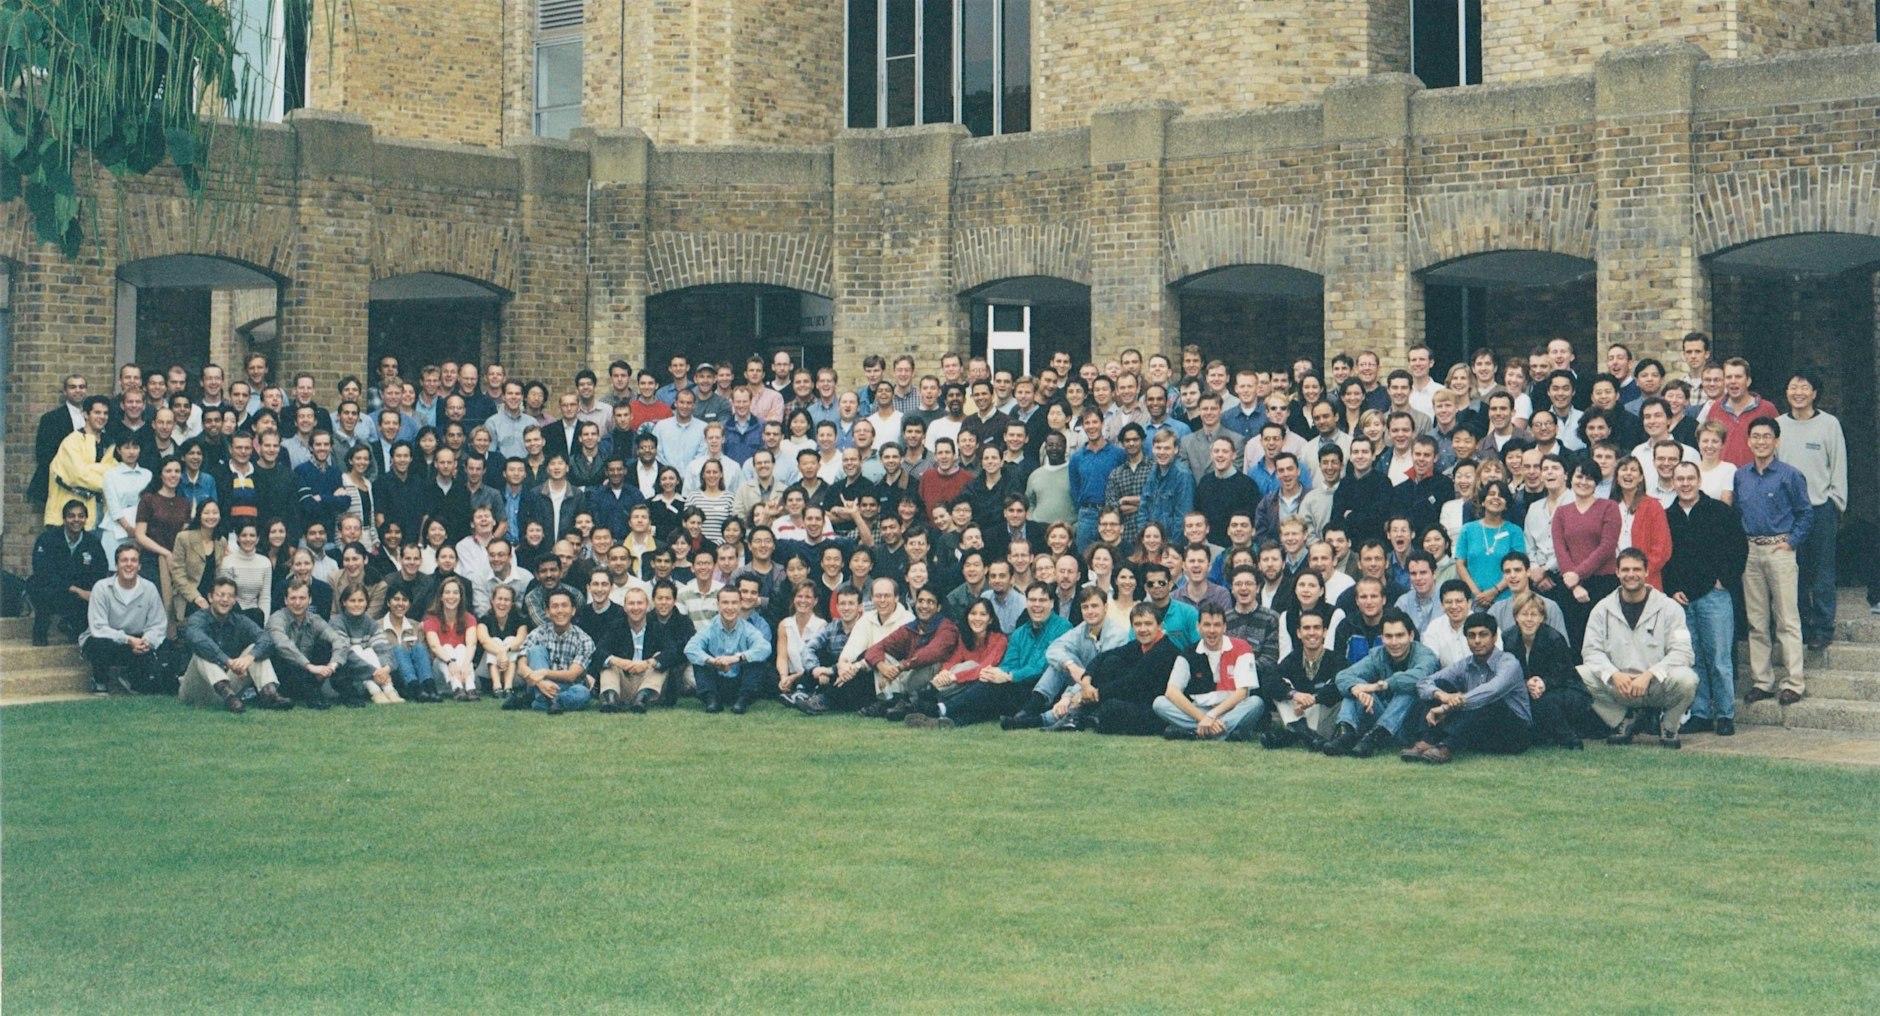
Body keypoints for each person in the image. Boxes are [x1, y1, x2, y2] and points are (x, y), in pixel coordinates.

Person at [1578, 549, 1699, 749]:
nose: (1631, 574)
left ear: (1646, 572)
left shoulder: (1670, 608)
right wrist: (1613, 674)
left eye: (1636, 569)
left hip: (1657, 684)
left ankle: (1669, 725)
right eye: (1625, 569)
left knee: (1688, 679)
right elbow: (1591, 651)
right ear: (1617, 572)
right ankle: (1624, 720)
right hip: (1620, 686)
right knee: (1578, 676)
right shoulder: (1602, 609)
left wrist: (1650, 674)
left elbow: (1683, 652)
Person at [1664, 461, 1748, 736]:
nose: (1685, 484)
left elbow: (1739, 547)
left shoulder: (1720, 511)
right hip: (1682, 600)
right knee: (1694, 658)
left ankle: (1724, 714)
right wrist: (1672, 589)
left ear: (1699, 481)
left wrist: (1725, 580)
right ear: (1673, 483)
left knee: (1719, 659)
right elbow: (1666, 557)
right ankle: (1700, 713)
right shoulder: (1668, 516)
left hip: (1714, 596)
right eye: (1680, 479)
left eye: (1690, 478)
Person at [1735, 417, 1812, 706]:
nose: (1761, 441)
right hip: (1751, 551)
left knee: (1786, 619)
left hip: (1780, 550)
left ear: (1776, 441)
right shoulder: (1741, 476)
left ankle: (1794, 682)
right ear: (1748, 441)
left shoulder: (1790, 475)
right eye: (1755, 436)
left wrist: (1791, 542)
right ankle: (1762, 681)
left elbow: (1806, 513)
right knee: (1757, 621)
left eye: (1767, 436)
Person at [1399, 612, 1532, 763]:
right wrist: (1442, 695)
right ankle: (1426, 741)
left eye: (1483, 635)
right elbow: (1423, 683)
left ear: (1494, 637)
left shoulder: (1508, 662)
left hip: (1514, 733)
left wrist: (1446, 708)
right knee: (1441, 685)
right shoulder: (1465, 664)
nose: (1477, 641)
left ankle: (1446, 747)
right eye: (1471, 636)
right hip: (1481, 730)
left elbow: (1491, 691)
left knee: (1486, 699)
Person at [1775, 370, 1846, 650]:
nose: (1799, 393)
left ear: (1815, 393)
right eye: (1793, 387)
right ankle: (1802, 627)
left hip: (1820, 508)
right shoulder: (1779, 425)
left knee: (1822, 572)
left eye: (1805, 388)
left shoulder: (1829, 424)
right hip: (1788, 512)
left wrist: (1835, 501)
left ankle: (1823, 627)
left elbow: (1838, 465)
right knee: (1795, 572)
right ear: (1787, 392)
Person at [1325, 608, 1439, 758]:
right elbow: (1343, 675)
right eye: (1388, 636)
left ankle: (1375, 737)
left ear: (1411, 636)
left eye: (1400, 635)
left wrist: (1379, 685)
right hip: (1379, 721)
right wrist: (1357, 690)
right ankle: (1345, 734)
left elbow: (1420, 676)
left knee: (1408, 688)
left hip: (1410, 725)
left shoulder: (1425, 655)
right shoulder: (1377, 654)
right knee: (1354, 688)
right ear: (1382, 637)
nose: (1394, 642)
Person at [1153, 603, 1263, 741]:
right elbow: (1172, 691)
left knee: (1256, 703)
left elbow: (1242, 693)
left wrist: (1212, 716)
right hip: (1199, 711)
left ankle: (1196, 733)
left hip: (1231, 710)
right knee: (1159, 703)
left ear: (1224, 627)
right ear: (1198, 626)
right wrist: (1203, 718)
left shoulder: (1242, 648)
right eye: (1206, 625)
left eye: (1217, 625)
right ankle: (1220, 732)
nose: (1212, 630)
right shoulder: (1189, 653)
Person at [180, 577, 290, 713]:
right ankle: (229, 696)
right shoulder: (197, 618)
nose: (225, 599)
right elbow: (197, 640)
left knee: (255, 649)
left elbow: (266, 639)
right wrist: (228, 661)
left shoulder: (240, 620)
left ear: (234, 600)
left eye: (230, 596)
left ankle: (270, 695)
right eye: (220, 595)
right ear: (210, 597)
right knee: (202, 652)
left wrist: (249, 658)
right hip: (196, 691)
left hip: (228, 693)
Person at [903, 599, 1011, 729]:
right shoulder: (964, 636)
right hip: (961, 690)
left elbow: (984, 668)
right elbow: (954, 659)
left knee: (973, 667)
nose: (977, 618)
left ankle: (934, 707)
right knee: (959, 674)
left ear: (990, 619)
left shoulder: (999, 639)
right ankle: (940, 718)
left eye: (983, 614)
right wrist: (944, 673)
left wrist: (954, 677)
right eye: (973, 613)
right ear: (967, 617)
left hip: (986, 690)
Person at [78, 545, 168, 695]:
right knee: (99, 644)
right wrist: (128, 640)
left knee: (151, 683)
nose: (129, 564)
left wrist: (146, 641)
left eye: (133, 560)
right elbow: (98, 627)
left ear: (139, 566)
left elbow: (157, 624)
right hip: (105, 641)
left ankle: (132, 678)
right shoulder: (101, 588)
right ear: (116, 565)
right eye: (124, 560)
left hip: (137, 641)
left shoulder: (149, 588)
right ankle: (100, 680)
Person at [28, 500, 109, 645]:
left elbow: (100, 571)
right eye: (71, 516)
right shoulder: (47, 539)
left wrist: (93, 592)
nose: (76, 520)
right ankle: (40, 629)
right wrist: (74, 589)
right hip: (53, 590)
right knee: (35, 585)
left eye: (81, 516)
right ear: (64, 519)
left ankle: (72, 626)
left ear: (86, 519)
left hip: (79, 594)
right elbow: (42, 571)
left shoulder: (93, 543)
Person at [684, 586, 773, 714]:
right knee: (700, 659)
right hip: (716, 683)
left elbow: (765, 647)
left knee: (756, 659)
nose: (730, 607)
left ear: (740, 604)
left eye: (734, 603)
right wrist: (713, 661)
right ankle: (711, 700)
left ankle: (742, 702)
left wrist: (736, 658)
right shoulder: (709, 628)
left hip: (741, 684)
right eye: (725, 603)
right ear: (717, 605)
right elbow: (690, 648)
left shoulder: (748, 629)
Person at [510, 589, 596, 714]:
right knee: (536, 650)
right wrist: (541, 683)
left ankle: (540, 701)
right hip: (538, 685)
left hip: (568, 687)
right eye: (555, 606)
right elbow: (521, 667)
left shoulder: (584, 640)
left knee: (583, 693)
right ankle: (551, 702)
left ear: (573, 610)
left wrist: (544, 673)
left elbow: (571, 675)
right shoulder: (539, 633)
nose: (560, 610)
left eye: (564, 605)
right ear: (547, 612)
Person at [597, 586, 678, 713]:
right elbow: (599, 651)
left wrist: (648, 663)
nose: (635, 608)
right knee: (608, 662)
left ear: (647, 606)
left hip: (648, 683)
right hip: (623, 682)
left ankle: (641, 700)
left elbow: (672, 652)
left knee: (660, 660)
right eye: (631, 603)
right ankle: (610, 700)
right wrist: (618, 661)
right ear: (625, 607)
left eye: (639, 603)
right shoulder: (616, 627)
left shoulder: (658, 627)